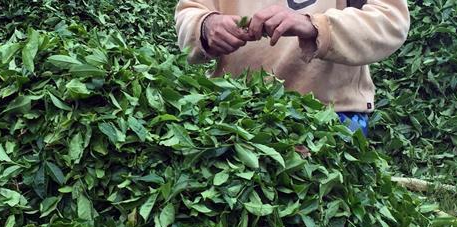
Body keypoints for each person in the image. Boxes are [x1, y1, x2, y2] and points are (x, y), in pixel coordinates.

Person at [175, 1, 410, 136]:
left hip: (329, 113)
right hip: (232, 110)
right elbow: (190, 11)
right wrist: (205, 26)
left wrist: (317, 26)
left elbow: (389, 21)